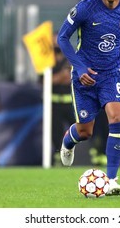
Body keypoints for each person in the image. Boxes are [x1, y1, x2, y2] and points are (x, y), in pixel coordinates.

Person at [57, 0, 120, 196]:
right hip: (85, 77)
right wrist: (79, 66)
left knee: (117, 117)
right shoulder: (85, 8)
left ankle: (112, 180)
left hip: (112, 75)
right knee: (85, 132)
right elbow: (63, 37)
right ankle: (69, 140)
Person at [51, 33, 74, 165]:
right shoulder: (48, 61)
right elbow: (45, 82)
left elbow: (69, 78)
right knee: (56, 133)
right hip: (54, 103)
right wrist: (60, 77)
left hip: (70, 103)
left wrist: (58, 78)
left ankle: (74, 155)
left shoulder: (69, 57)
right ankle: (58, 158)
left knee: (80, 129)